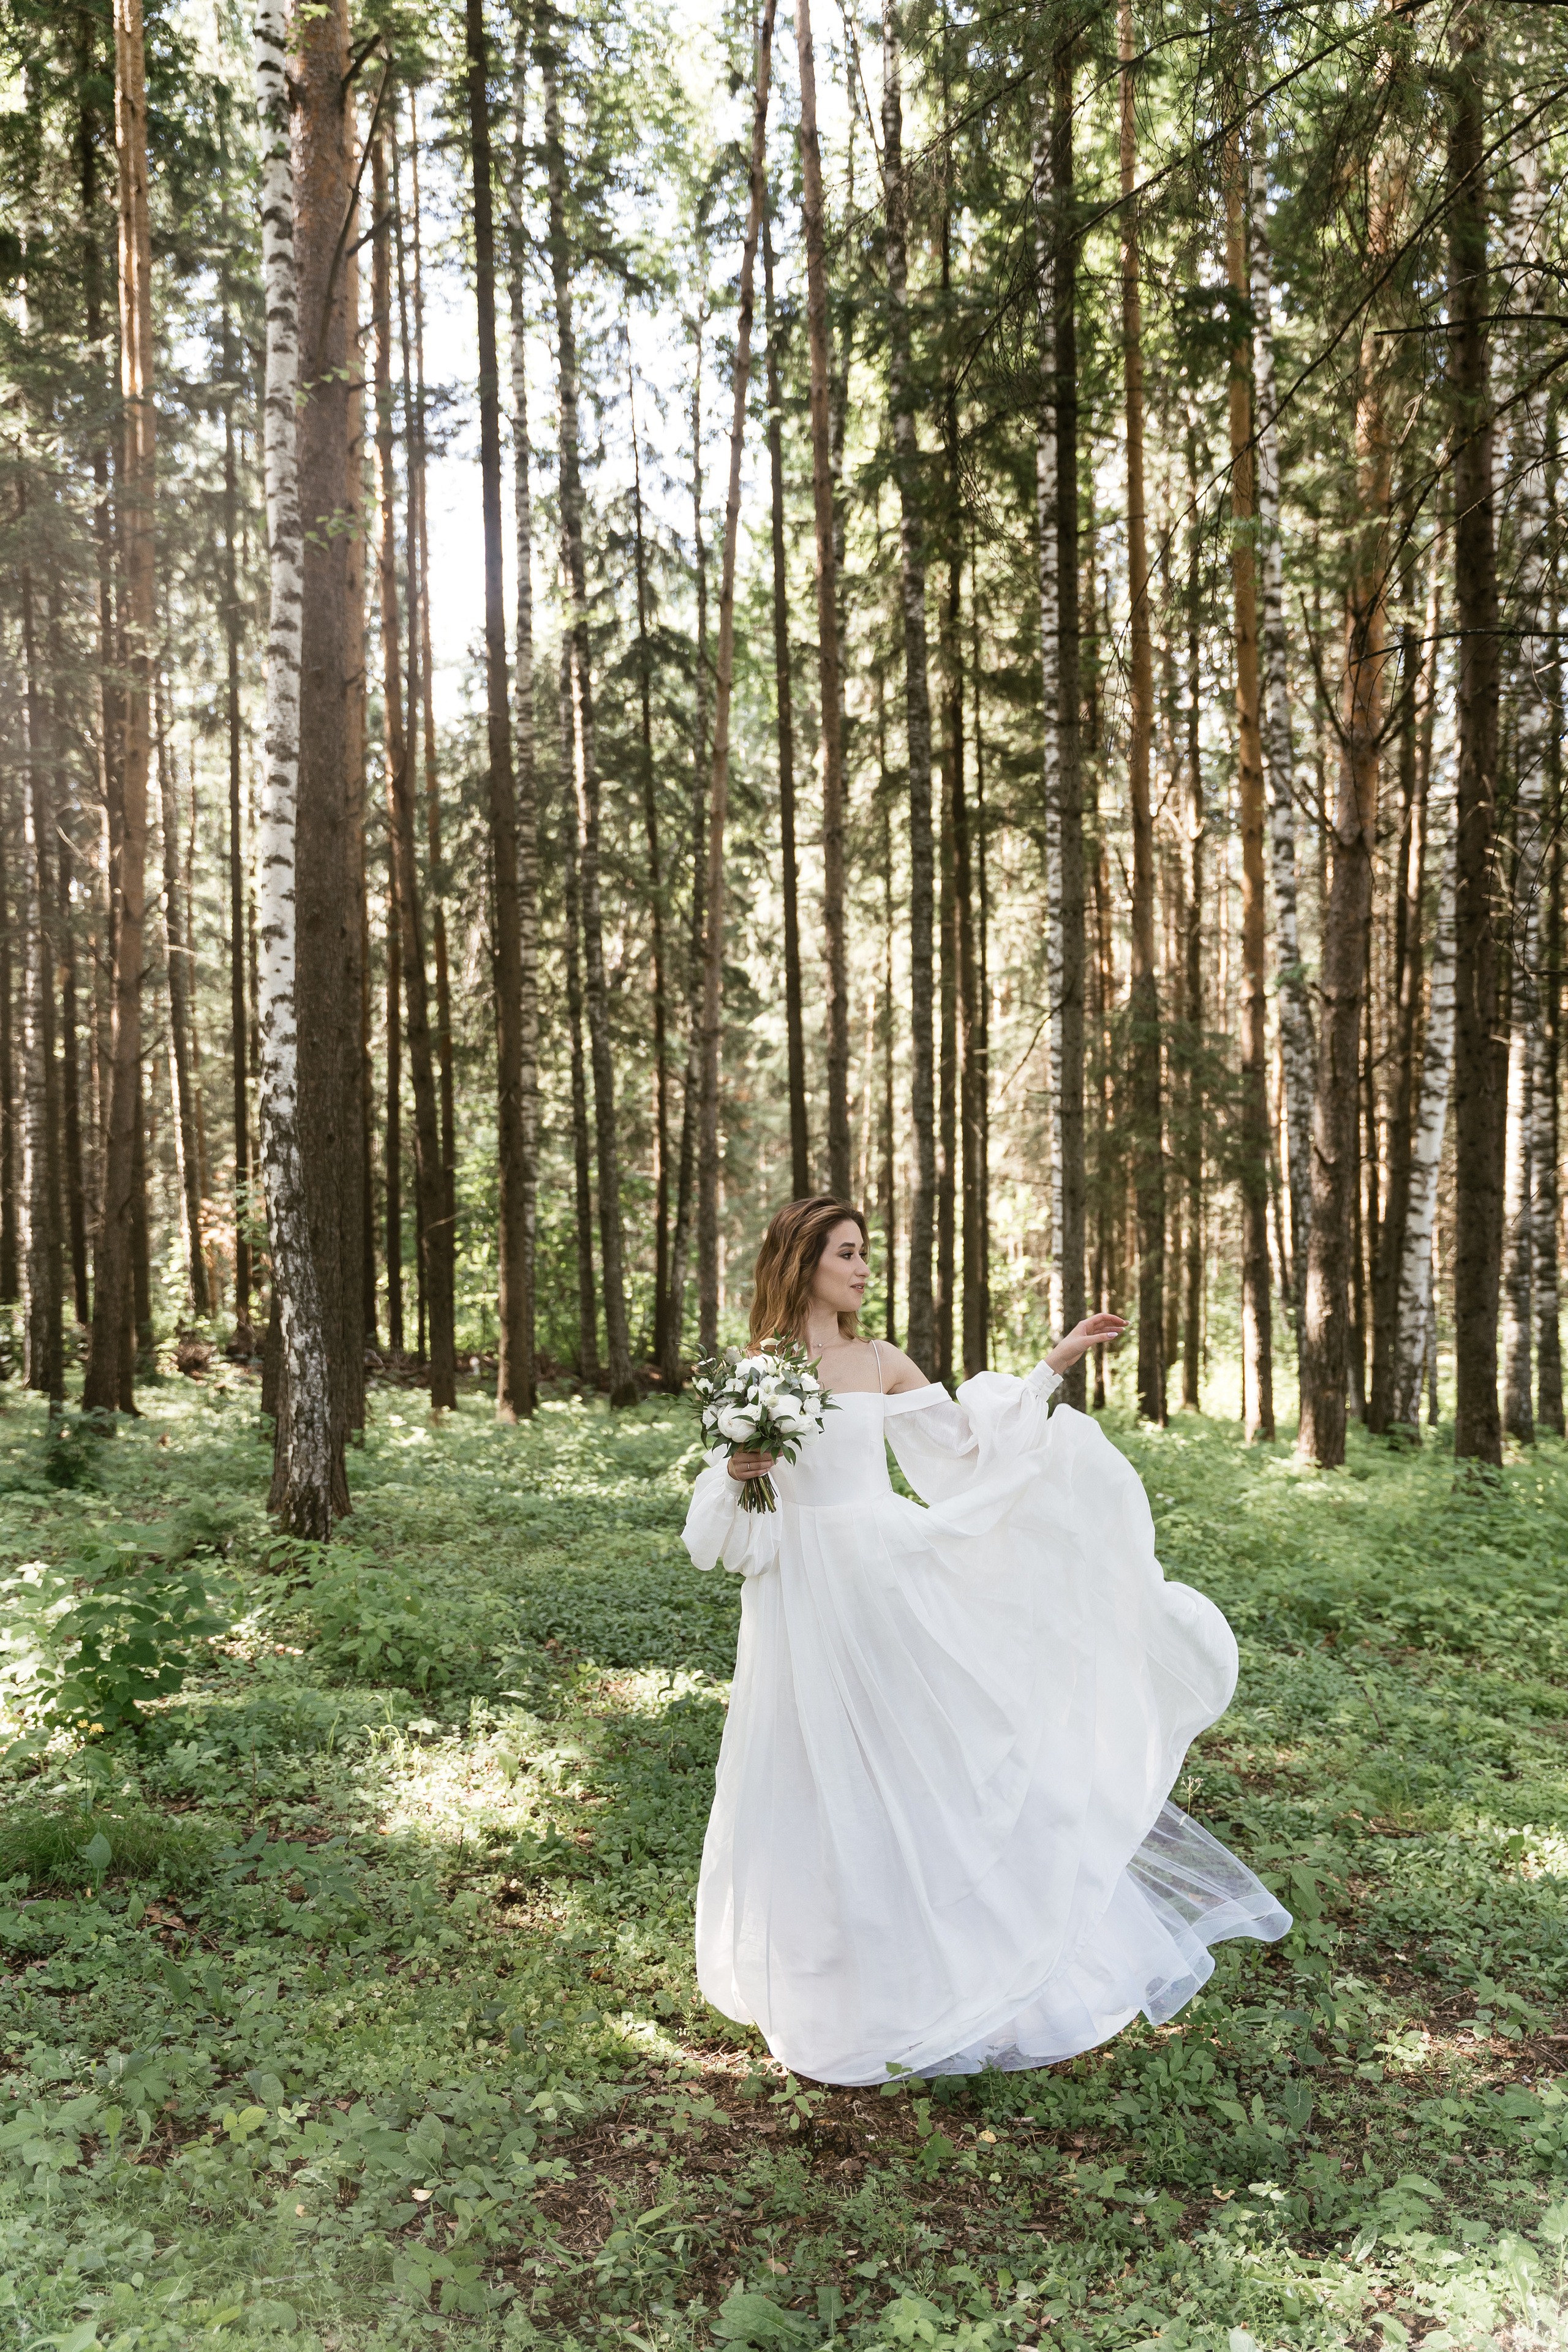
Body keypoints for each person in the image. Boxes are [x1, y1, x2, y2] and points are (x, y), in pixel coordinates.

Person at [681, 1195, 1289, 2088]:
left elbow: (966, 1451)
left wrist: (1056, 1364)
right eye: (846, 1252)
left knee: (909, 1762)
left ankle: (963, 1959)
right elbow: (726, 1520)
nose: (862, 1268)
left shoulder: (879, 1360)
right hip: (793, 1596)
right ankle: (832, 1982)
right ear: (802, 1257)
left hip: (877, 1582)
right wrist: (739, 1474)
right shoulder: (756, 1370)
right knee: (805, 1768)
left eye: (864, 1253)